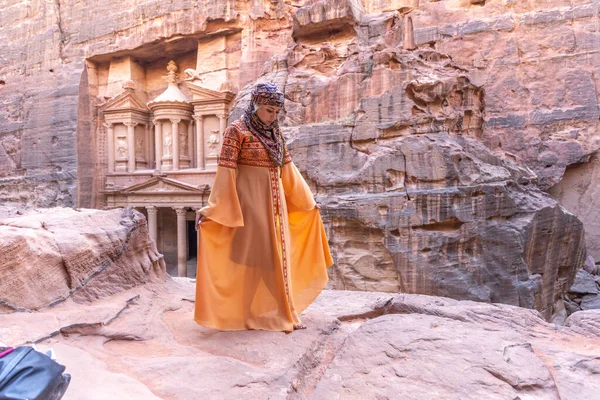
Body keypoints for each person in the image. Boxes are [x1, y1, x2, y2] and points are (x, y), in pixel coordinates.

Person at [194, 82, 333, 332]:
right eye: (269, 110)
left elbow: (288, 170)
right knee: (260, 258)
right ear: (256, 106)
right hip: (249, 207)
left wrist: (307, 201)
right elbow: (226, 173)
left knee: (273, 256)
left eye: (277, 112)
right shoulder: (236, 131)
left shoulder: (275, 133)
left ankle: (279, 310)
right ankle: (273, 312)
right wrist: (213, 209)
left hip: (275, 205)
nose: (274, 116)